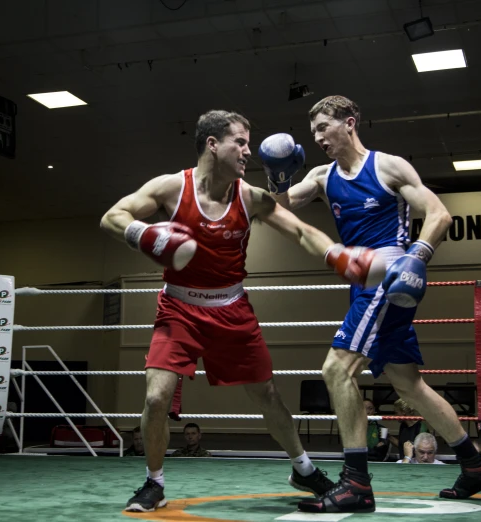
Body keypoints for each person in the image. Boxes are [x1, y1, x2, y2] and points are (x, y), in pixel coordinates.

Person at [100, 109, 386, 513]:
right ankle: (153, 482)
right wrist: (145, 234)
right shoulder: (171, 188)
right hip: (178, 308)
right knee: (156, 397)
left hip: (232, 309)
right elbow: (112, 216)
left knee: (267, 394)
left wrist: (336, 254)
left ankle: (303, 468)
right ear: (213, 144)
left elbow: (300, 229)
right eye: (241, 142)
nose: (248, 151)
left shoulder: (248, 196)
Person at [260, 95, 481, 514]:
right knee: (408, 384)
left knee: (336, 370)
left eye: (324, 127)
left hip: (389, 279)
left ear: (350, 123)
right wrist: (277, 179)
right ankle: (474, 463)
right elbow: (278, 212)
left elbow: (439, 214)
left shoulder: (388, 166)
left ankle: (355, 482)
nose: (317, 137)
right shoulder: (321, 175)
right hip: (362, 284)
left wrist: (417, 257)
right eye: (313, 131)